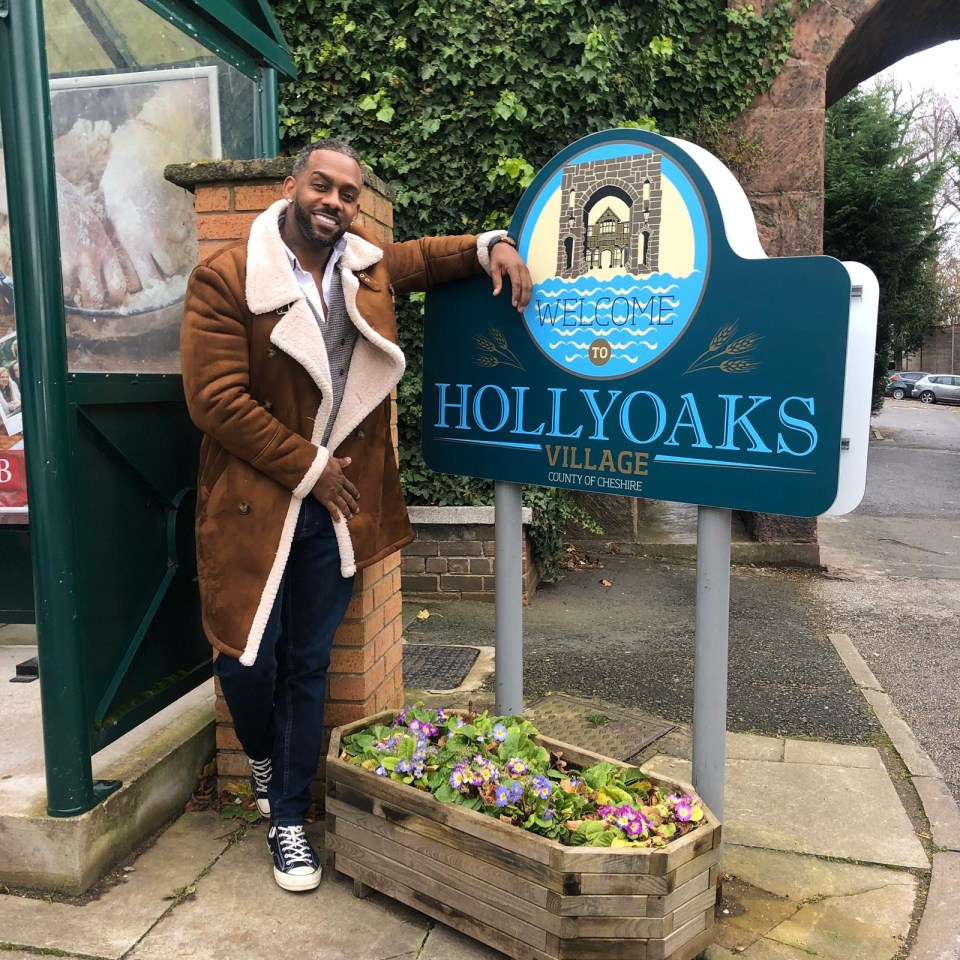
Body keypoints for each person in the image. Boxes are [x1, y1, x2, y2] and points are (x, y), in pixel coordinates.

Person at [180, 139, 531, 893]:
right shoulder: (230, 277)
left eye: (346, 193)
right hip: (257, 507)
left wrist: (490, 246)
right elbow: (214, 400)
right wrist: (308, 467)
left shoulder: (361, 267)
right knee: (246, 661)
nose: (333, 202)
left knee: (308, 666)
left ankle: (287, 821)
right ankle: (266, 758)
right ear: (291, 186)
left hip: (333, 512)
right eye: (321, 186)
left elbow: (422, 260)